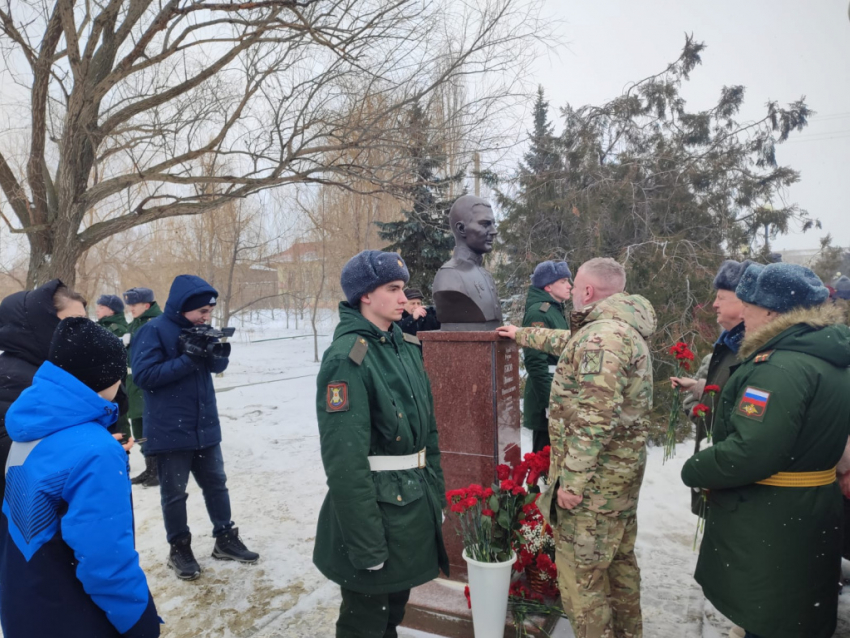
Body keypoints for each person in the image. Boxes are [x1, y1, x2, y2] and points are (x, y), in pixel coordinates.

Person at [681, 262, 850, 638]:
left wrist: (695, 469)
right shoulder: (828, 356)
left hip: (775, 518)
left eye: (750, 307)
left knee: (771, 618)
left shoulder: (779, 367)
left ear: (772, 312)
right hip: (808, 509)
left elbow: (752, 450)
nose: (746, 315)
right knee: (796, 614)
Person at [497, 257, 656, 637]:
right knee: (619, 569)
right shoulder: (614, 328)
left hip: (593, 491)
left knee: (582, 584)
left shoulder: (603, 338)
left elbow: (594, 419)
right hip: (617, 482)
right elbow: (566, 342)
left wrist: (571, 483)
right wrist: (520, 333)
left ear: (587, 291)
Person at [314, 251, 448, 638]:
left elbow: (430, 434)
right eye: (393, 289)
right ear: (365, 296)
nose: (404, 298)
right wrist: (366, 545)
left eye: (403, 288)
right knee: (366, 622)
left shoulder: (403, 345)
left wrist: (435, 496)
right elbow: (345, 462)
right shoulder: (347, 359)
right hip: (375, 514)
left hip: (411, 505)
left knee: (393, 613)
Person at [0, 317, 160, 638]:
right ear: (109, 377)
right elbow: (106, 561)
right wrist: (140, 624)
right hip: (74, 615)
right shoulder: (96, 453)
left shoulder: (30, 424)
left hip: (25, 601)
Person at [131, 275, 258, 581]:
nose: (206, 316)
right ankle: (179, 548)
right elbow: (144, 376)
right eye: (201, 311)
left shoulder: (200, 328)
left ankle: (225, 538)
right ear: (183, 307)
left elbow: (216, 367)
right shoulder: (153, 330)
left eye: (209, 311)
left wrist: (213, 348)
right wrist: (188, 358)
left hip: (205, 425)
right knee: (174, 494)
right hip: (169, 428)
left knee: (216, 484)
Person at [671, 260, 752, 512]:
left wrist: (701, 396)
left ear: (745, 304)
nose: (714, 304)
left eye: (721, 297)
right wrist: (698, 398)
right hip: (721, 474)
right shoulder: (726, 344)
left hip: (737, 483)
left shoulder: (754, 350)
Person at [0, 280, 87, 499]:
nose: (83, 332)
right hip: (33, 513)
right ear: (41, 326)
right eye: (72, 323)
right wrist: (90, 449)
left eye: (85, 323)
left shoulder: (61, 365)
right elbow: (11, 452)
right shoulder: (12, 377)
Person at [521, 260, 571, 453]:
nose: (569, 286)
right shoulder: (539, 313)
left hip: (559, 392)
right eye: (564, 281)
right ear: (548, 286)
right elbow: (536, 363)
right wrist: (550, 402)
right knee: (543, 461)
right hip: (548, 398)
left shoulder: (554, 309)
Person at [432, 195, 502, 329]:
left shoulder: (485, 275)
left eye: (494, 224)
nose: (494, 231)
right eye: (485, 224)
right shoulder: (449, 276)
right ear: (461, 229)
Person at [123, 287, 162, 487]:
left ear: (146, 305)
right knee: (139, 429)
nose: (130, 308)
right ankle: (150, 467)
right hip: (134, 384)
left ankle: (159, 469)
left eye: (134, 305)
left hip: (148, 384)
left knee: (151, 428)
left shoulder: (155, 323)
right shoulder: (135, 324)